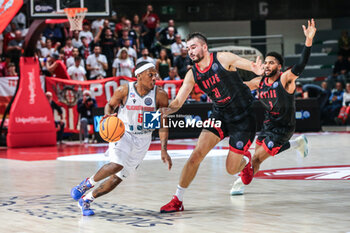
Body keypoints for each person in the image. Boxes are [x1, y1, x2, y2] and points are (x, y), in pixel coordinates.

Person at [159, 32, 264, 213]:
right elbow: (177, 103)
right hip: (220, 114)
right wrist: (165, 109)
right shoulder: (192, 74)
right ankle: (178, 200)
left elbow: (247, 64)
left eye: (193, 47)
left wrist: (255, 68)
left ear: (204, 47)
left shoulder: (223, 58)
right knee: (196, 155)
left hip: (243, 118)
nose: (190, 52)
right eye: (188, 49)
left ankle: (246, 161)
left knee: (231, 170)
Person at [70, 62, 172, 216]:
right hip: (123, 133)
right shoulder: (124, 90)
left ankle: (86, 200)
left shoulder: (161, 95)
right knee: (116, 164)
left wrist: (164, 149)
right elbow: (110, 106)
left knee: (117, 179)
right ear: (139, 76)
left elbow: (163, 123)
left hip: (144, 139)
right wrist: (109, 115)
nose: (154, 78)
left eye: (155, 75)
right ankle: (86, 184)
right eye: (150, 75)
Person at [230, 19, 316, 195]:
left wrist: (308, 41)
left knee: (255, 158)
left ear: (279, 66)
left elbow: (300, 66)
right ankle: (297, 143)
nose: (267, 65)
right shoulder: (259, 81)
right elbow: (240, 87)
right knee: (258, 159)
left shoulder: (285, 79)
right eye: (266, 62)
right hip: (269, 124)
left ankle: (240, 182)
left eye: (271, 63)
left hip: (284, 128)